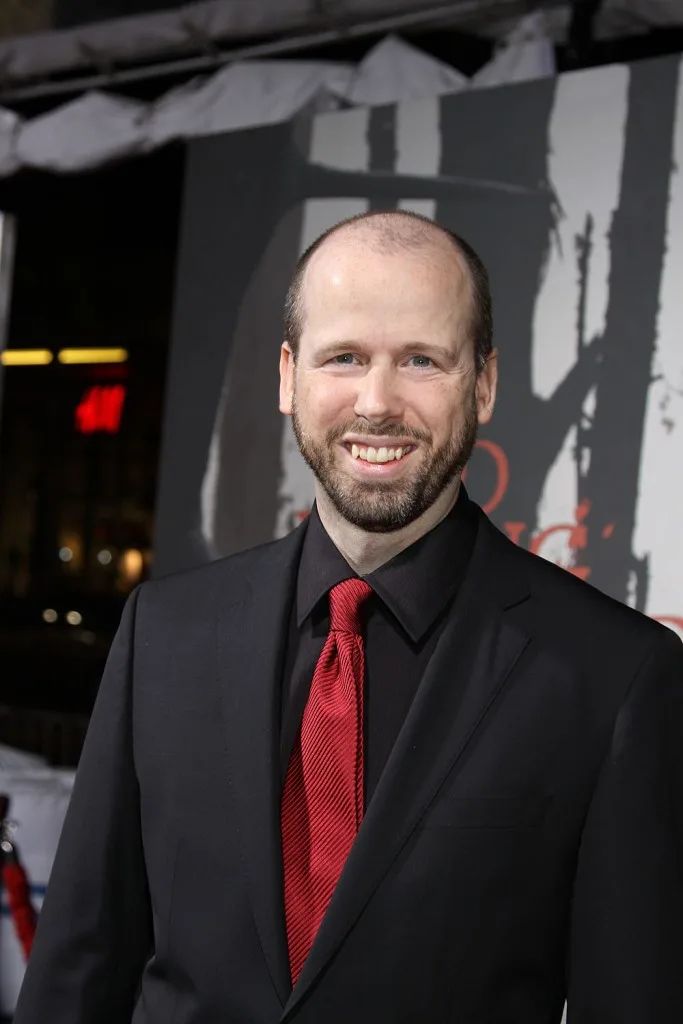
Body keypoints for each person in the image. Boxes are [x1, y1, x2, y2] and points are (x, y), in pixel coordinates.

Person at [14, 210, 683, 1024]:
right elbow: (80, 971)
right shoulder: (164, 633)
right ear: (289, 378)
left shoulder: (613, 674)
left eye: (420, 361)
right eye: (344, 358)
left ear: (484, 382)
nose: (377, 402)